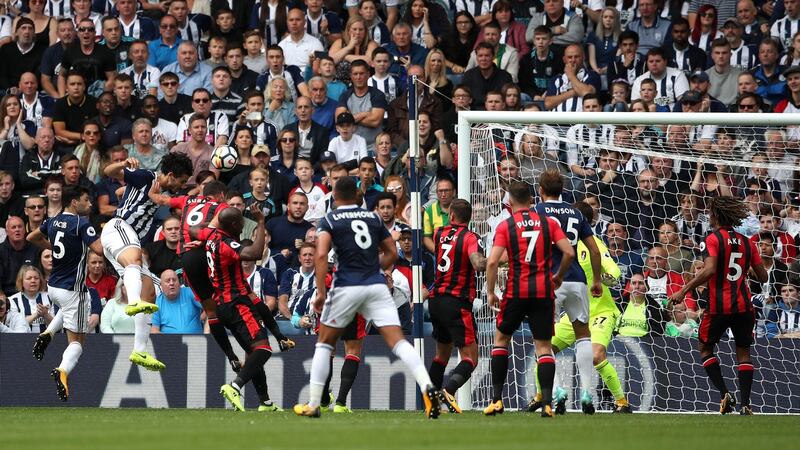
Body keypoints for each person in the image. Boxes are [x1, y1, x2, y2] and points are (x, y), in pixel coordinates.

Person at [293, 176, 441, 418]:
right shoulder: (372, 218)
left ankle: (313, 403)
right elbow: (392, 252)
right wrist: (372, 267)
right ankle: (427, 386)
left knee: (324, 343)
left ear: (335, 196)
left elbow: (321, 256)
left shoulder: (330, 219)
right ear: (356, 195)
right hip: (376, 285)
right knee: (399, 342)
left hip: (345, 286)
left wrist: (320, 292)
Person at [529, 201, 631, 415]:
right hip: (575, 313)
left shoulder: (595, 244)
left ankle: (621, 401)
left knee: (596, 354)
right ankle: (541, 396)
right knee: (544, 351)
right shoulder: (561, 245)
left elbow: (614, 271)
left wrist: (606, 279)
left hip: (601, 311)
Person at [669, 196, 767, 415]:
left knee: (704, 349)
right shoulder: (748, 242)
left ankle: (725, 395)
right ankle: (745, 405)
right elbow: (763, 276)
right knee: (743, 354)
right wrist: (746, 269)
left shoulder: (711, 238)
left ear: (715, 215)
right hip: (744, 307)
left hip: (718, 307)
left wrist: (683, 290)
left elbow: (710, 269)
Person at [484, 180, 575, 418]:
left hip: (516, 291)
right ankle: (547, 403)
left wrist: (491, 291)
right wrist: (558, 276)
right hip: (543, 291)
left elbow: (492, 261)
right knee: (544, 347)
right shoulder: (548, 223)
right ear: (532, 200)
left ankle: (496, 401)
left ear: (510, 202)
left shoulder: (506, 225)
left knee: (502, 340)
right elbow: (569, 252)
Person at [100, 153, 193, 372]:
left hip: (126, 239)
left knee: (150, 292)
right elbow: (108, 172)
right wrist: (124, 165)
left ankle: (140, 350)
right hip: (120, 228)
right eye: (180, 181)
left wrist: (128, 192)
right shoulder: (146, 176)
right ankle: (133, 302)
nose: (180, 186)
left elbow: (120, 192)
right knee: (135, 260)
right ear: (170, 174)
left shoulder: (156, 191)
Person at [533, 169, 603, 414]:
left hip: (549, 281)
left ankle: (559, 389)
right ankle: (586, 392)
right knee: (583, 336)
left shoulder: (537, 212)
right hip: (577, 281)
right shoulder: (575, 212)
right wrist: (596, 280)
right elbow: (594, 250)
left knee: (544, 341)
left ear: (540, 190)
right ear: (562, 190)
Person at [204, 206, 284, 412]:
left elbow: (195, 229)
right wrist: (260, 222)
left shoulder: (211, 237)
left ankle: (265, 402)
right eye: (241, 223)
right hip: (236, 304)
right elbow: (256, 253)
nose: (243, 226)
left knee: (252, 352)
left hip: (223, 304)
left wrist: (278, 334)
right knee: (264, 349)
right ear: (232, 225)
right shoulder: (226, 244)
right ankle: (234, 387)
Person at [26, 185, 101, 401]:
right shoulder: (80, 224)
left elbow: (32, 237)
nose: (90, 204)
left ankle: (47, 333)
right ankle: (63, 370)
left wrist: (53, 246)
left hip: (53, 287)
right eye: (86, 200)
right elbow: (99, 249)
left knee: (78, 302)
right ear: (74, 202)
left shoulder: (52, 220)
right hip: (71, 289)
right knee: (77, 342)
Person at [427, 199, 486, 413]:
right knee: (471, 358)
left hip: (435, 301)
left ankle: (431, 401)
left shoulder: (438, 233)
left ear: (451, 215)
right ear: (469, 218)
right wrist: (498, 259)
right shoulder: (471, 238)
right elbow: (478, 264)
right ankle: (448, 391)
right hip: (457, 302)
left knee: (441, 355)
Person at [150, 269, 203, 334]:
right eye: (168, 281)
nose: (171, 283)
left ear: (179, 282)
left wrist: (207, 331)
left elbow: (209, 308)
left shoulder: (189, 292)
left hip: (195, 341)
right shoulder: (159, 301)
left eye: (174, 280)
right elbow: (154, 330)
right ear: (161, 285)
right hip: (170, 342)